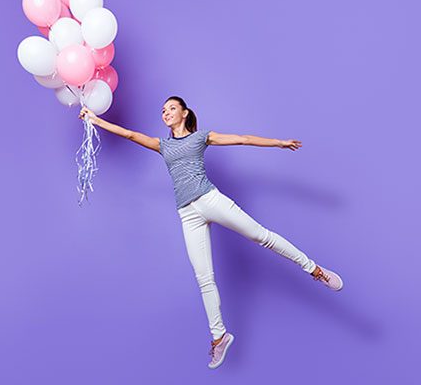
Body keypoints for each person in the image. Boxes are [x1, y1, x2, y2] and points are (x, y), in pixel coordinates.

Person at [78, 96, 343, 369]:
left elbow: (243, 139)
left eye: (171, 108)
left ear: (185, 113)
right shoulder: (163, 146)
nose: (165, 113)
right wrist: (96, 120)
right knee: (204, 278)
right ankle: (219, 337)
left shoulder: (201, 138)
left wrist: (278, 143)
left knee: (261, 236)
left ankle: (315, 270)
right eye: (163, 110)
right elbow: (130, 134)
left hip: (211, 200)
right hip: (187, 213)